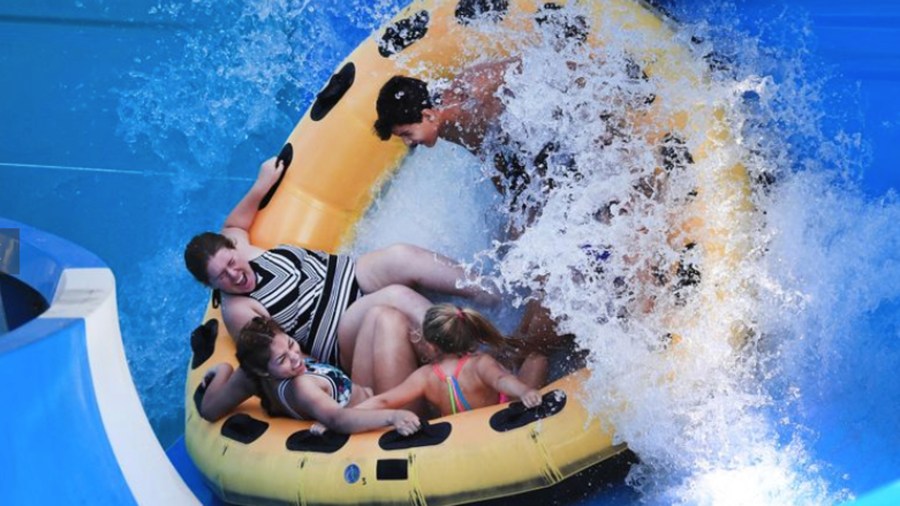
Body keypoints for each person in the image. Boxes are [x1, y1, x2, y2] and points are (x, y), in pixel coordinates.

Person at [187, 156, 497, 420]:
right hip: (343, 330)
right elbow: (281, 356)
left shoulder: (239, 245)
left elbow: (234, 225)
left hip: (351, 274)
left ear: (233, 249)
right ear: (210, 285)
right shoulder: (239, 310)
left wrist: (262, 182)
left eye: (231, 262)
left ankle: (495, 295)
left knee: (401, 255)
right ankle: (477, 357)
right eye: (221, 277)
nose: (234, 275)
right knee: (394, 298)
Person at [202, 316, 421, 435]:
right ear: (263, 370)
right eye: (282, 360)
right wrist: (394, 416)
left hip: (359, 388)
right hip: (379, 406)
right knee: (391, 319)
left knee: (379, 315)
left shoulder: (249, 374)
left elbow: (209, 409)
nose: (296, 358)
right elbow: (339, 419)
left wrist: (223, 369)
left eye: (290, 344)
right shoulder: (302, 387)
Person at [353, 304, 543, 421]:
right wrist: (524, 391)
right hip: (498, 423)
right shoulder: (479, 364)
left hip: (458, 437)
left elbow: (385, 400)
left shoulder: (425, 377)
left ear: (430, 345)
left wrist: (348, 414)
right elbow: (501, 379)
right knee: (537, 358)